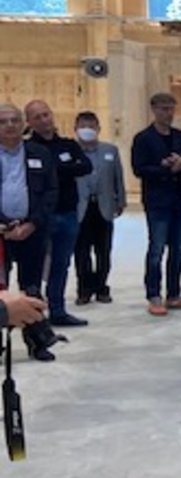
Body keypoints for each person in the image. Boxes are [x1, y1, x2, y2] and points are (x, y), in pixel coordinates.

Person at [21, 100, 93, 328]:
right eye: (38, 117)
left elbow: (85, 167)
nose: (44, 120)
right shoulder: (27, 149)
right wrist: (62, 169)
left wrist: (54, 168)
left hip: (68, 212)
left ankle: (58, 310)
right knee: (35, 266)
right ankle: (34, 315)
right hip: (41, 215)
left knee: (61, 264)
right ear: (30, 122)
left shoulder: (68, 145)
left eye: (46, 114)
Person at [0, 102, 59, 360]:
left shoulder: (39, 153)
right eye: (3, 121)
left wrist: (32, 223)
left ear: (23, 123)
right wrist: (4, 224)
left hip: (32, 230)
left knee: (32, 287)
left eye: (14, 120)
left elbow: (50, 192)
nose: (10, 125)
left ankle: (38, 341)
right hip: (1, 234)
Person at [131, 92, 181, 316]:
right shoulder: (143, 138)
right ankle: (153, 294)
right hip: (158, 200)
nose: (168, 113)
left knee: (178, 250)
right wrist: (166, 168)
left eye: (171, 108)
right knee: (156, 249)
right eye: (163, 109)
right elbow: (140, 169)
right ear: (153, 109)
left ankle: (174, 294)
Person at [72, 111, 124, 307]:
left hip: (104, 205)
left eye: (91, 126)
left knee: (103, 250)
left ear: (98, 128)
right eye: (83, 126)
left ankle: (102, 287)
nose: (88, 130)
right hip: (80, 207)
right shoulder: (71, 151)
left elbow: (118, 176)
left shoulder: (110, 150)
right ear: (76, 129)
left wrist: (121, 200)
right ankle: (84, 289)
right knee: (81, 251)